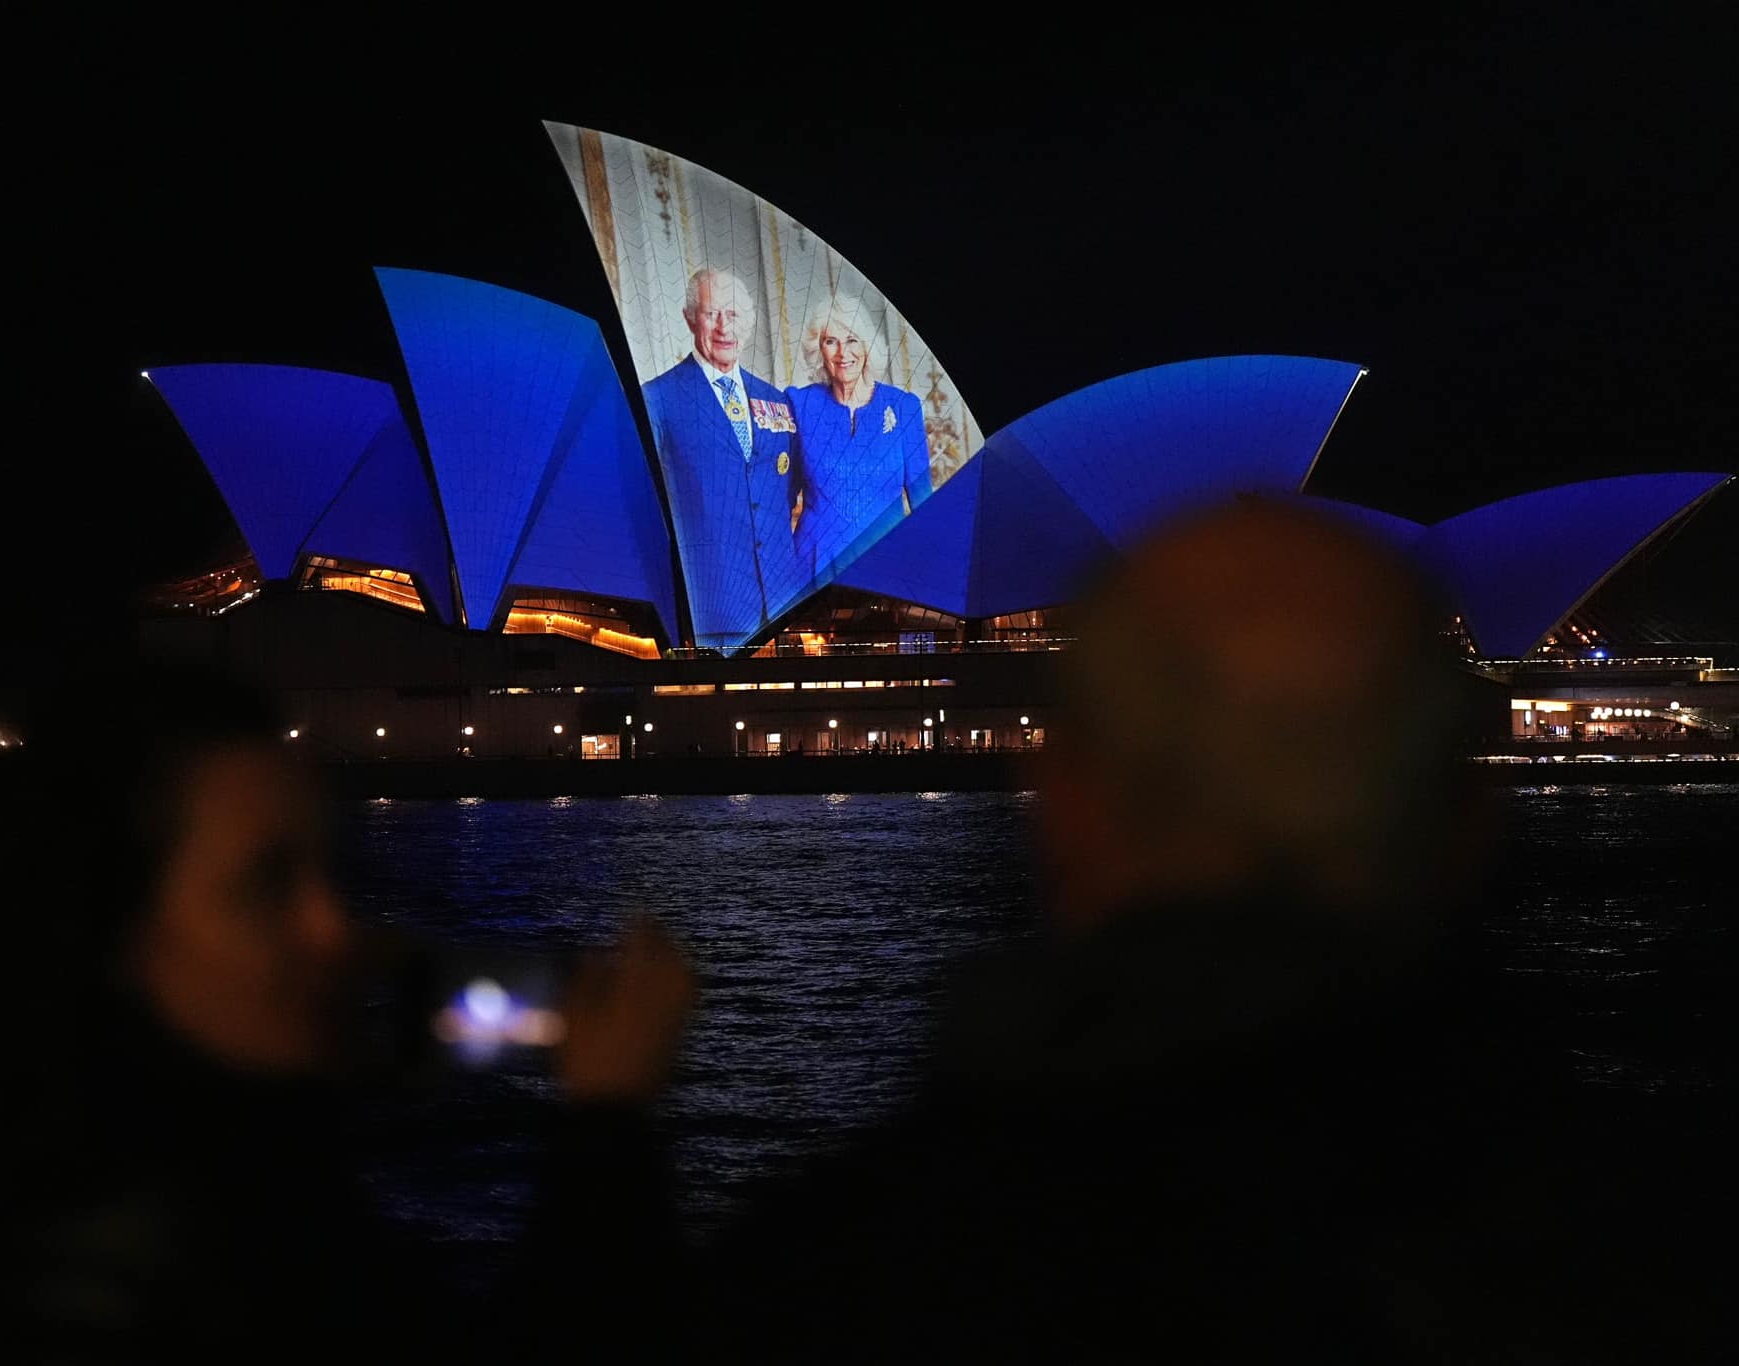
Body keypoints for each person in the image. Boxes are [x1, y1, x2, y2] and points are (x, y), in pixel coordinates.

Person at [695, 502, 1728, 1361]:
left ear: (1060, 798)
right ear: (1466, 820)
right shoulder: (1647, 1251)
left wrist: (603, 1154)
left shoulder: (838, 1272)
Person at [0, 665, 694, 1362]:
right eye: (267, 885)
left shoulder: (226, 1189)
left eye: (328, 871)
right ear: (100, 928)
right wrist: (608, 1132)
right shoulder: (118, 1285)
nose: (335, 927)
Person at [641, 268, 810, 652]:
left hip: (784, 606)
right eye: (711, 314)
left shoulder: (777, 400)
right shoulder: (657, 399)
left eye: (732, 315)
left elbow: (787, 490)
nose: (723, 327)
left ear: (747, 324)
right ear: (689, 318)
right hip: (711, 609)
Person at [785, 299, 931, 583]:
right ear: (819, 349)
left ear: (866, 346)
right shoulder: (799, 404)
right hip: (814, 570)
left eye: (852, 340)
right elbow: (783, 499)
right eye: (831, 341)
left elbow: (922, 500)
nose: (843, 353)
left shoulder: (904, 407)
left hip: (888, 566)